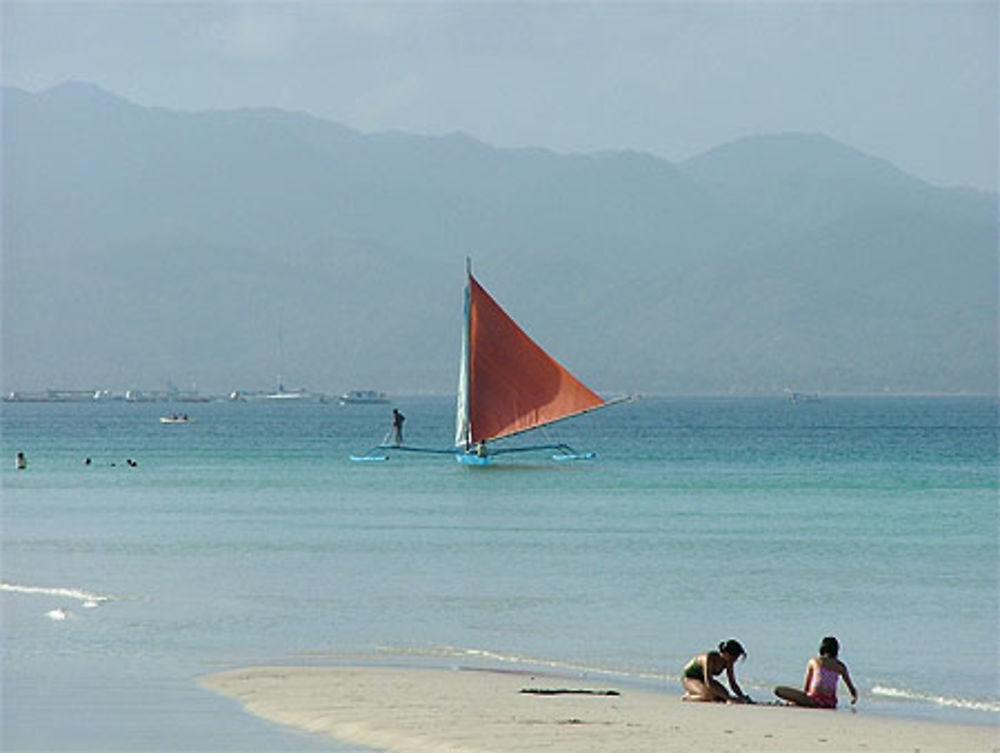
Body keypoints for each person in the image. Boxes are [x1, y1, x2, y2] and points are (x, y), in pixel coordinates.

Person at [774, 636, 858, 709]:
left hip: (813, 699)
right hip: (830, 702)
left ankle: (802, 702)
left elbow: (806, 687)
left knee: (778, 690)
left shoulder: (814, 661)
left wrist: (802, 698)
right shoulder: (840, 666)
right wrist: (853, 698)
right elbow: (851, 689)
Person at [681, 639, 751, 703]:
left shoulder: (729, 662)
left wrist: (742, 696)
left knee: (722, 695)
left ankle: (698, 691)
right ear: (726, 654)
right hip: (689, 678)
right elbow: (709, 682)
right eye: (735, 657)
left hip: (702, 679)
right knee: (708, 696)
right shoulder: (709, 658)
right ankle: (687, 697)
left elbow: (732, 682)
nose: (735, 660)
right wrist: (729, 698)